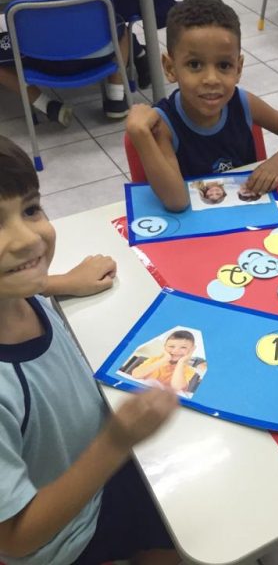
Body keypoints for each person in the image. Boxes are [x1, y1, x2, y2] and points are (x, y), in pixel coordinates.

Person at [0, 135, 181, 565]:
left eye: (30, 209)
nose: (28, 239)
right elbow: (15, 539)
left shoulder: (18, 290)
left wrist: (62, 282)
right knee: (188, 527)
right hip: (67, 535)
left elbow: (29, 280)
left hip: (93, 459)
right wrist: (117, 440)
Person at [126, 0, 278, 212]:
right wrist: (140, 134)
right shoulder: (164, 125)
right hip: (197, 227)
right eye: (195, 64)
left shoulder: (243, 102)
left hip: (250, 217)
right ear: (170, 68)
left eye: (224, 65)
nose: (211, 79)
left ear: (238, 68)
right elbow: (177, 201)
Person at [0, 0, 134, 122]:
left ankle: (48, 106)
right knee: (121, 28)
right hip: (98, 56)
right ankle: (116, 98)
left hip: (43, 59)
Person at [130, 329, 207, 393]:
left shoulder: (188, 370)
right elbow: (136, 375)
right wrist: (165, 359)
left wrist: (181, 362)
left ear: (191, 350)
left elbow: (177, 387)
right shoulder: (154, 360)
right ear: (164, 347)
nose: (176, 351)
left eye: (183, 347)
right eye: (171, 346)